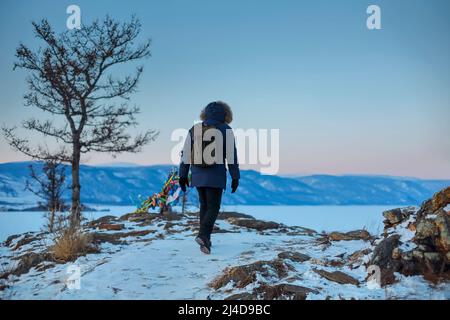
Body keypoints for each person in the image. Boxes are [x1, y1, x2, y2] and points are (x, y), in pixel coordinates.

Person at [179, 101, 240, 254]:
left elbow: (185, 154)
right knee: (213, 206)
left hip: (198, 174)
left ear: (204, 113)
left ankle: (205, 241)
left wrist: (182, 175)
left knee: (204, 205)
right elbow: (231, 156)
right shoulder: (226, 129)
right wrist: (235, 176)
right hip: (216, 174)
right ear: (226, 114)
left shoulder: (195, 129)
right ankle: (203, 235)